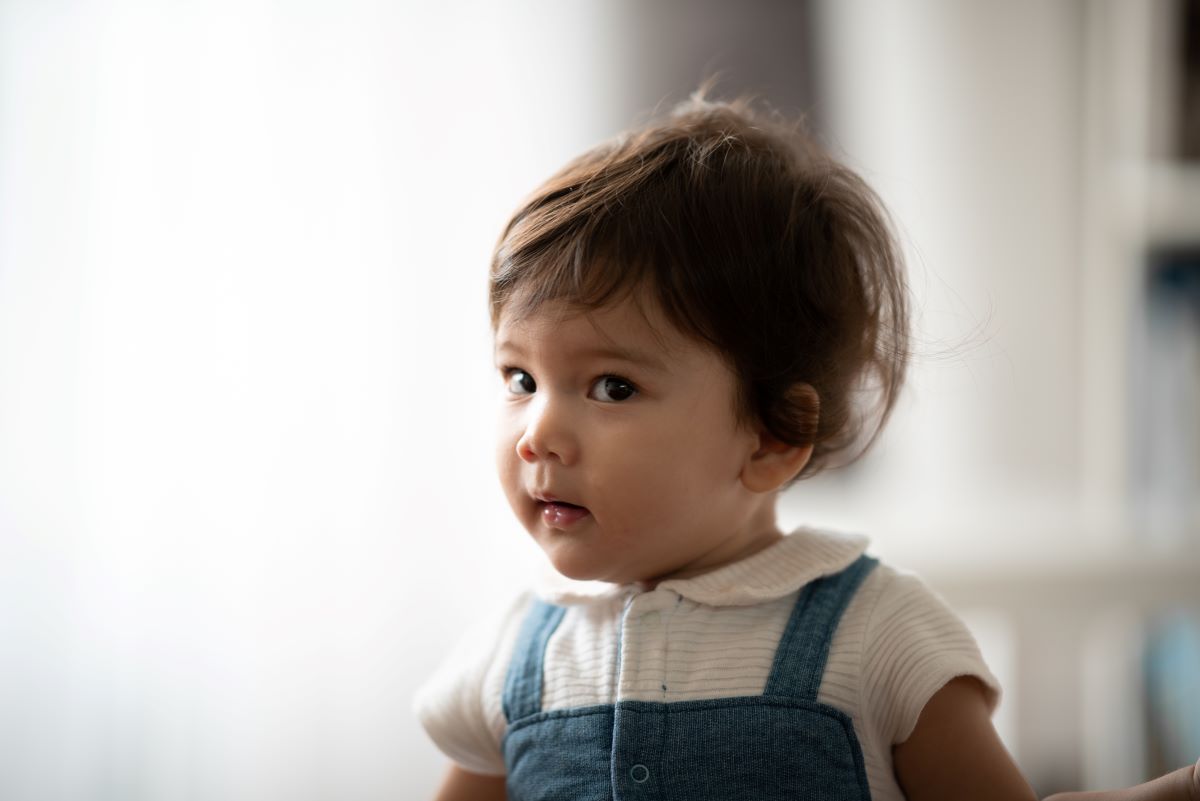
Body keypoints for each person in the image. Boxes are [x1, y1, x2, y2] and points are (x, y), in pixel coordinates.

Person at [414, 89, 1198, 801]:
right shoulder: (512, 657)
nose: (538, 432)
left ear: (772, 435)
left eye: (612, 386)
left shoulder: (877, 634)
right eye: (520, 379)